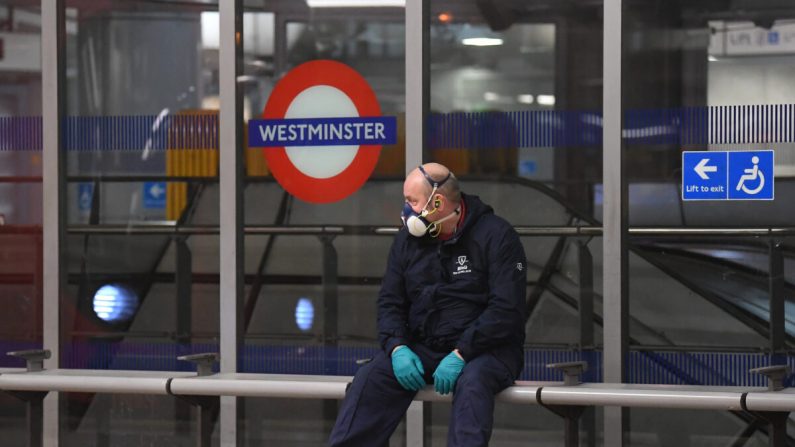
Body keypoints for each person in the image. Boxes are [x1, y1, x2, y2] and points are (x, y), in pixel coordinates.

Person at [328, 163, 528, 446]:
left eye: (411, 201)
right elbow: (390, 301)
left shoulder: (496, 236)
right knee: (372, 377)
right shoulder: (408, 241)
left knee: (472, 384)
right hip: (425, 346)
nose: (405, 209)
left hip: (486, 351)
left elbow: (506, 309)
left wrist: (462, 352)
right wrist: (397, 347)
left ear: (437, 201)